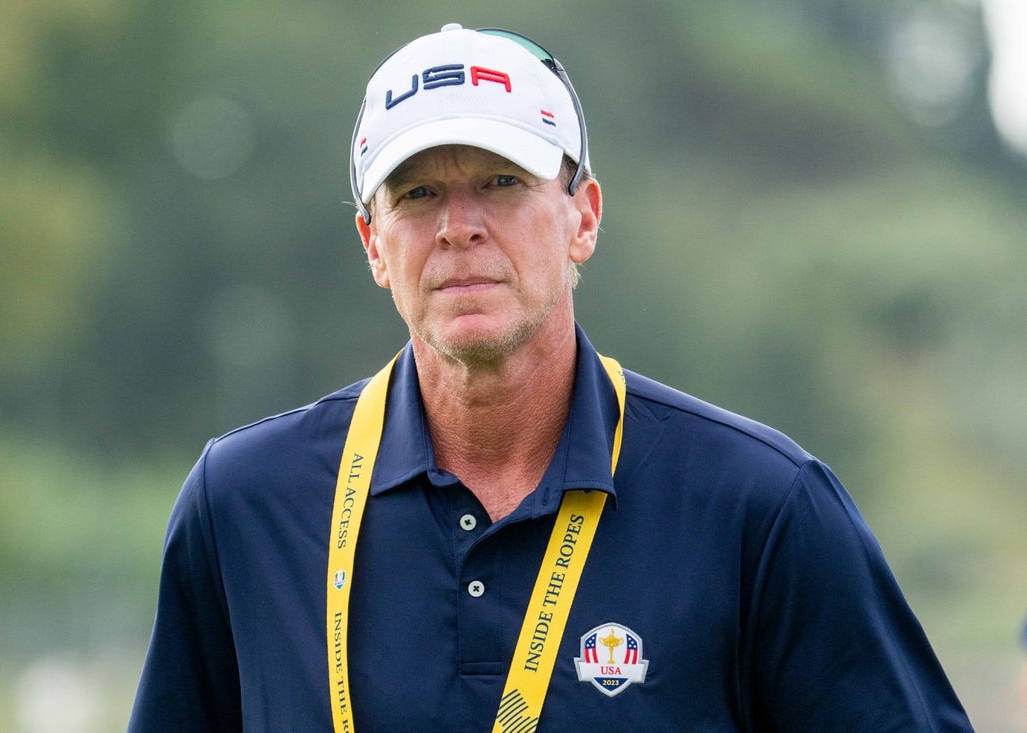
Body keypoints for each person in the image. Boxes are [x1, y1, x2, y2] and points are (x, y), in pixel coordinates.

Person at [129, 23, 973, 732]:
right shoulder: (243, 504)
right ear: (373, 245)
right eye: (418, 194)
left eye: (502, 182)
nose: (459, 227)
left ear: (584, 217)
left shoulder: (762, 506)